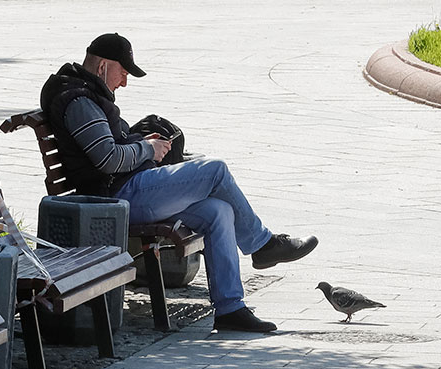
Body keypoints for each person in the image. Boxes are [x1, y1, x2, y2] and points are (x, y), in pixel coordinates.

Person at [40, 33, 318, 333]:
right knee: (215, 170)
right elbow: (107, 160)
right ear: (104, 65)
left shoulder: (87, 92)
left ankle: (230, 309)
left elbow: (110, 149)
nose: (124, 82)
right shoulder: (80, 100)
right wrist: (148, 149)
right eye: (123, 73)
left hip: (128, 188)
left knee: (219, 211)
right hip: (116, 198)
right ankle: (263, 245)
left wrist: (142, 142)